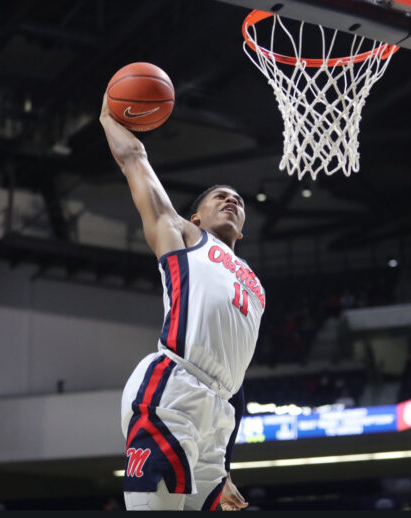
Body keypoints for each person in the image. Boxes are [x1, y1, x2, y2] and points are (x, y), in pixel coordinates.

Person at [100, 93, 265, 511]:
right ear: (196, 218)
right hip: (174, 387)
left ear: (243, 231)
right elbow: (134, 160)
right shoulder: (183, 237)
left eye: (239, 201)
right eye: (220, 197)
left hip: (219, 413)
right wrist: (108, 115)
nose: (232, 201)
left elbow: (238, 377)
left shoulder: (256, 287)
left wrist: (225, 462)